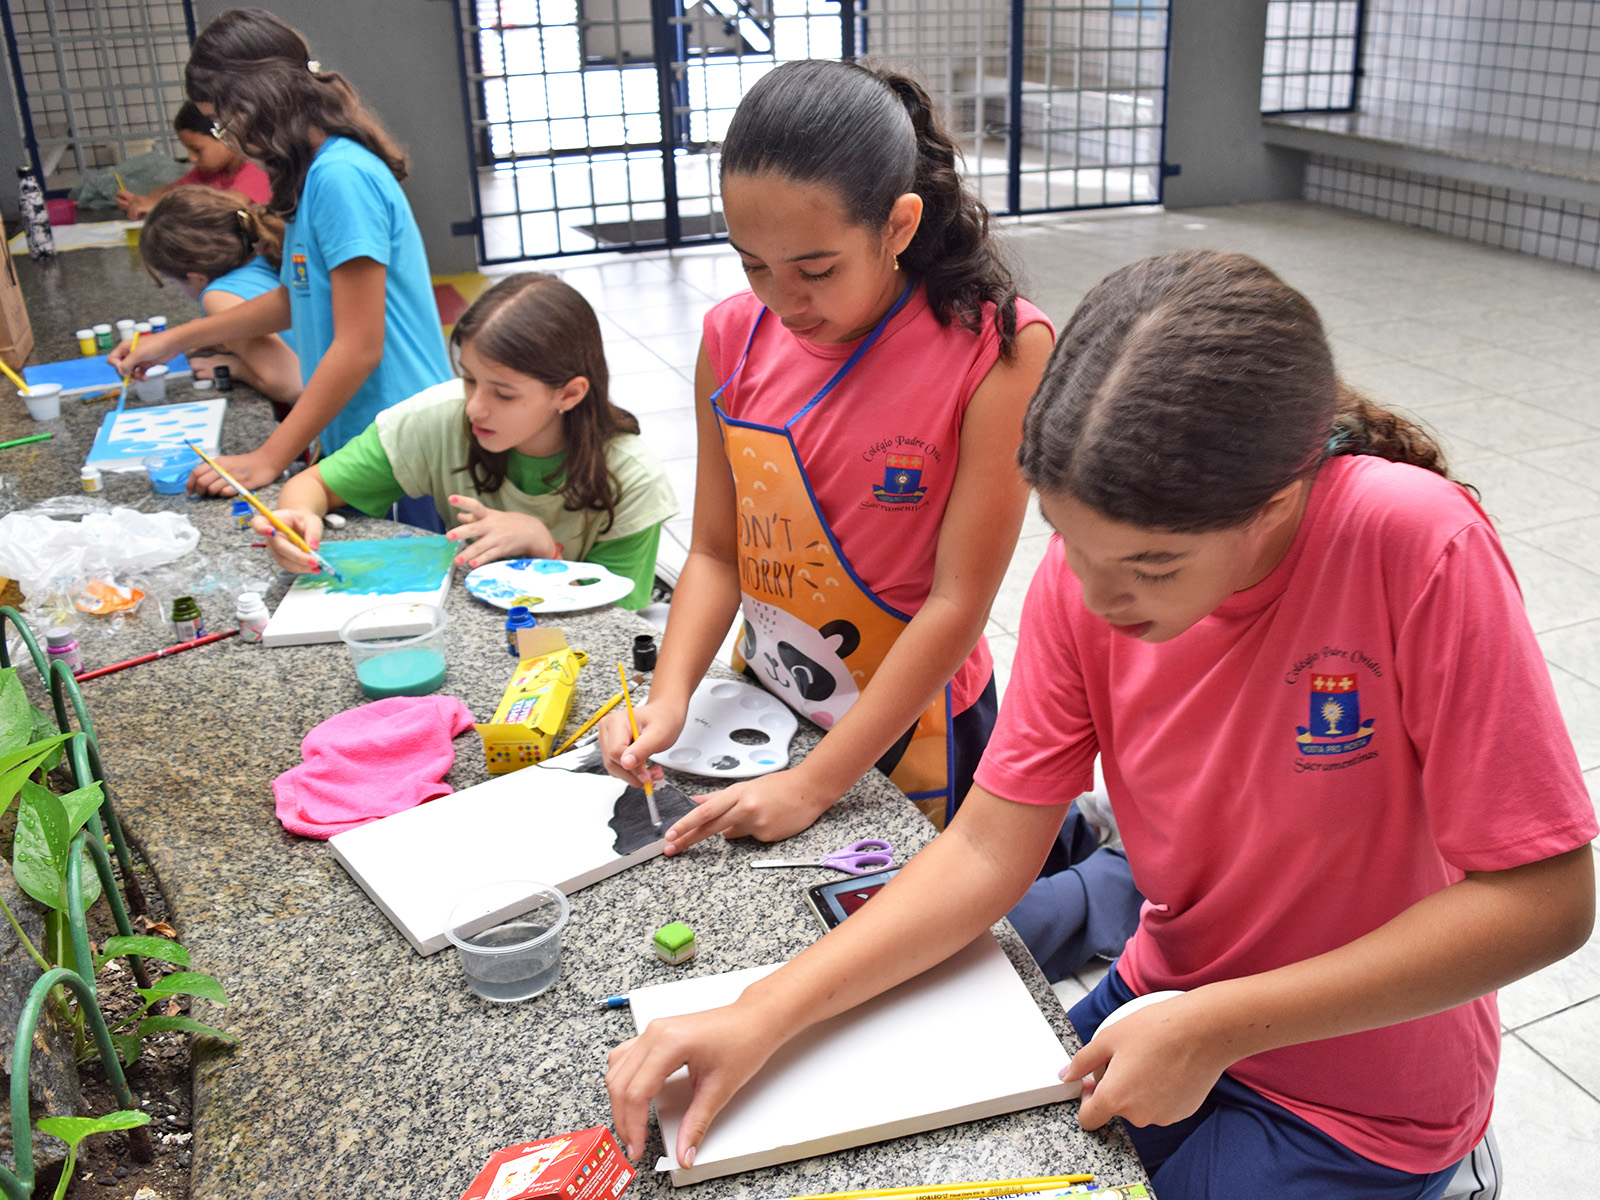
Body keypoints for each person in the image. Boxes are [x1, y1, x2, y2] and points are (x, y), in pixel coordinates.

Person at [605, 250, 1598, 1198]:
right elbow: (986, 848)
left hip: (1357, 1095)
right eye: (1072, 547)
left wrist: (1219, 1026)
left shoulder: (1412, 541)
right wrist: (761, 1012)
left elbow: (1546, 899)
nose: (1101, 600)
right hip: (1163, 1002)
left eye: (1152, 567)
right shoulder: (1084, 587)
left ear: (1276, 500)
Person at [598, 59, 1053, 842]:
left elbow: (957, 604)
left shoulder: (997, 349)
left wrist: (815, 785)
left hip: (913, 725)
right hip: (769, 699)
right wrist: (668, 697)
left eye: (817, 270)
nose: (782, 300)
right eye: (753, 264)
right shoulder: (731, 338)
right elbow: (715, 552)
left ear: (898, 227)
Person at [110, 7, 451, 520]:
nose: (228, 138)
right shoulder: (310, 175)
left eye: (222, 123)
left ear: (257, 100)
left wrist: (271, 456)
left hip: (401, 439)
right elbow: (298, 299)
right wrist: (172, 341)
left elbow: (360, 346)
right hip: (364, 433)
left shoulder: (341, 177)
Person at [258, 273, 676, 610]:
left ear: (569, 394)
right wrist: (296, 519)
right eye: (469, 378)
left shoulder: (632, 478)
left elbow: (615, 626)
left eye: (503, 394)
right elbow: (315, 484)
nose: (474, 407)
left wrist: (545, 551)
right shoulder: (437, 417)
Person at [137, 186, 302, 408]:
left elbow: (292, 383)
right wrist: (228, 339)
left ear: (196, 277)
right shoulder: (268, 254)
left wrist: (234, 367)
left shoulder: (217, 295)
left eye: (175, 282)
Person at [115, 101, 272, 219]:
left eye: (197, 150)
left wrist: (162, 206)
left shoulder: (257, 167)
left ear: (227, 137)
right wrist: (144, 201)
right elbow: (172, 190)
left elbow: (232, 202)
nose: (191, 158)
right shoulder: (210, 171)